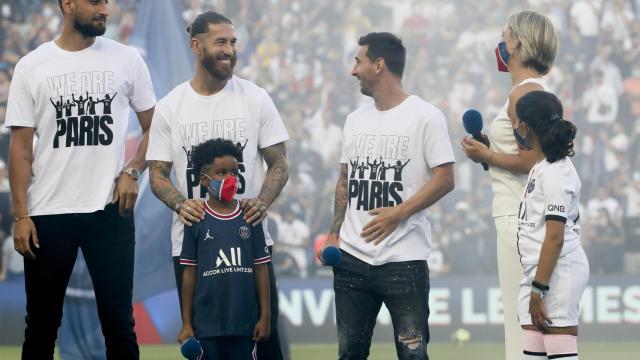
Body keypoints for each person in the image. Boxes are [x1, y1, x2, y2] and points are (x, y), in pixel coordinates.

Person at [5, 0, 156, 359]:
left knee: (119, 324)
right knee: (40, 327)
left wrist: (132, 170)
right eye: (95, 1)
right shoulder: (32, 66)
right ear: (68, 4)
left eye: (107, 1)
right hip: (47, 213)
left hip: (109, 211)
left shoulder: (127, 59)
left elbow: (157, 127)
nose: (106, 8)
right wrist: (20, 215)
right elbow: (21, 148)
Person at [146, 11, 289, 359]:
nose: (230, 50)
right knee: (203, 349)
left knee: (265, 345)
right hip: (193, 248)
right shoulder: (170, 107)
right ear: (196, 46)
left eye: (233, 42)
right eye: (220, 42)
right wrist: (181, 203)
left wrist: (262, 201)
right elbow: (157, 174)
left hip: (250, 243)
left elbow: (280, 164)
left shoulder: (255, 98)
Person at [320, 32, 455, 359]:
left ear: (379, 65)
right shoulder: (354, 120)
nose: (353, 70)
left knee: (413, 354)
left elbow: (446, 178)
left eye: (358, 61)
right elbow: (344, 182)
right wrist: (334, 233)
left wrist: (400, 212)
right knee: (349, 354)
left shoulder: (426, 116)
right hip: (351, 259)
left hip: (404, 259)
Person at [461, 10, 559, 359]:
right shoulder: (534, 91)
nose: (500, 43)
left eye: (504, 36)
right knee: (532, 326)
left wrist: (487, 155)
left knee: (520, 329)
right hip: (527, 217)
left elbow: (534, 160)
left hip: (517, 217)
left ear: (517, 41)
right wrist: (492, 151)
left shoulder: (523, 93)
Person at [177, 138, 271, 359]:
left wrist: (265, 316)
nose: (230, 179)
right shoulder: (195, 219)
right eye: (221, 173)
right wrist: (187, 323)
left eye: (234, 172)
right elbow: (189, 273)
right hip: (206, 326)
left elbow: (260, 269)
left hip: (244, 324)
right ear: (204, 179)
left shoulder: (250, 216)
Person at [513, 91, 588, 360]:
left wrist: (538, 290)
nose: (516, 128)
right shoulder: (543, 165)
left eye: (518, 121)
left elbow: (555, 237)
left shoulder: (557, 173)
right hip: (538, 273)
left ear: (528, 127)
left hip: (557, 273)